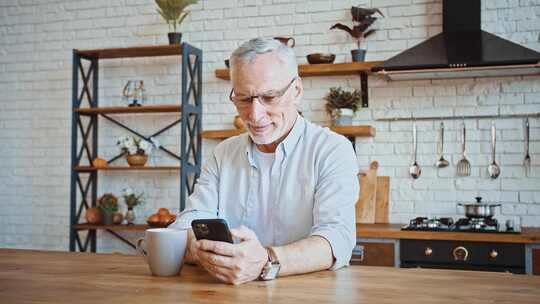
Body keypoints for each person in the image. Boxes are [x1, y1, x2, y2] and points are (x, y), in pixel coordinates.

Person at [170, 37, 359, 285]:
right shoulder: (224, 154)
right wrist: (197, 248)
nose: (255, 115)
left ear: (297, 91)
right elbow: (186, 225)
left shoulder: (332, 150)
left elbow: (336, 238)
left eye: (269, 97)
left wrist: (266, 261)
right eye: (244, 99)